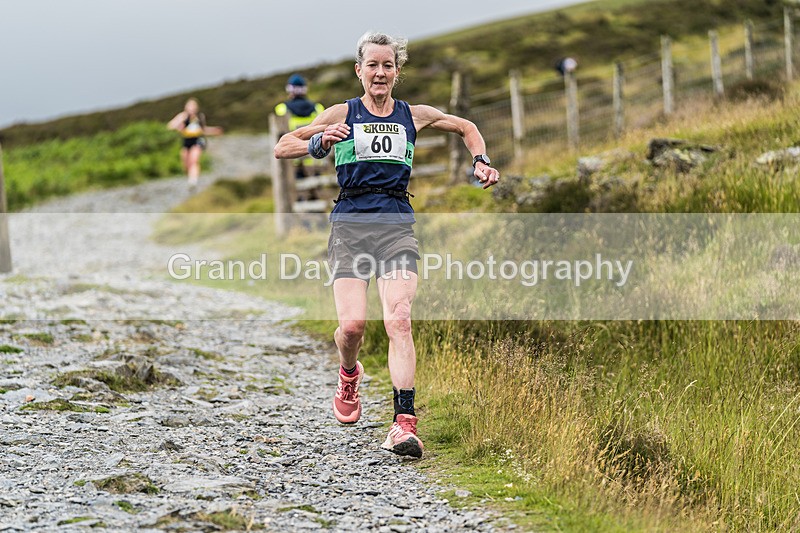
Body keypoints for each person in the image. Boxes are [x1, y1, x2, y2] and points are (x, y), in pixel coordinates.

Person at [274, 31, 499, 459]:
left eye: (388, 65)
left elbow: (466, 127)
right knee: (353, 327)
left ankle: (403, 424)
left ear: (397, 72)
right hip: (350, 224)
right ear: (359, 71)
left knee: (399, 318)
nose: (380, 72)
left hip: (396, 223)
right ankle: (348, 373)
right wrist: (319, 141)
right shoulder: (344, 112)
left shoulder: (414, 115)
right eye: (372, 65)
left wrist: (480, 160)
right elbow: (283, 145)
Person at [274, 74, 326, 182]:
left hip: (294, 158)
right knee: (316, 192)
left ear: (289, 89)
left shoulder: (281, 109)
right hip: (316, 158)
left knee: (299, 194)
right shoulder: (318, 108)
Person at [167, 98, 223, 188]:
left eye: (193, 106)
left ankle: (193, 181)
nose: (192, 108)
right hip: (186, 140)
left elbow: (203, 130)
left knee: (194, 160)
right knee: (186, 162)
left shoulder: (200, 117)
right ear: (186, 107)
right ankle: (190, 177)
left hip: (198, 139)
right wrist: (178, 125)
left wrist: (214, 130)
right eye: (190, 106)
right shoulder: (183, 116)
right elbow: (170, 126)